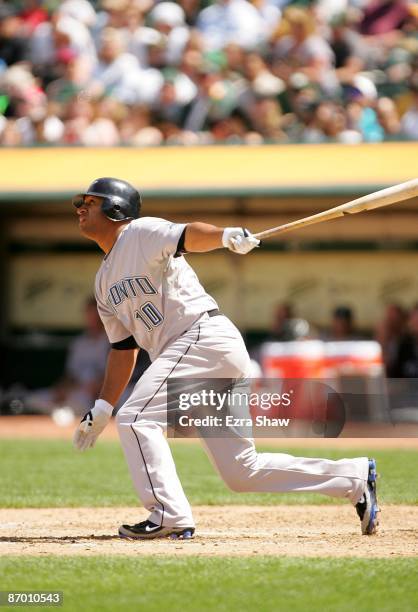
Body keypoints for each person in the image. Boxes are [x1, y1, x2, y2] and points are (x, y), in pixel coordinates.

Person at [72, 177, 379, 539]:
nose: (80, 208)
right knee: (241, 472)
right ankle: (354, 477)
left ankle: (168, 515)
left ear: (115, 208)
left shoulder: (139, 232)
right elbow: (124, 349)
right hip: (197, 354)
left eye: (90, 202)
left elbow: (189, 235)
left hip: (201, 339)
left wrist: (225, 235)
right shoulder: (103, 280)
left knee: (137, 417)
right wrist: (103, 407)